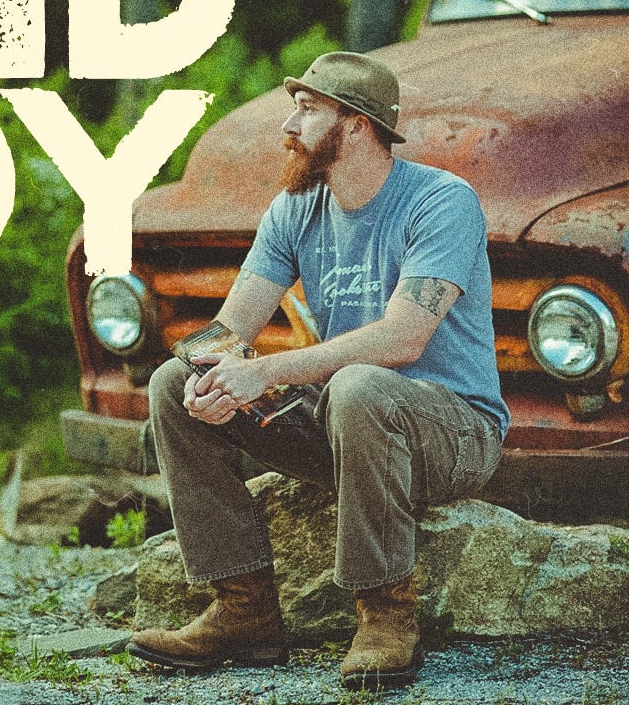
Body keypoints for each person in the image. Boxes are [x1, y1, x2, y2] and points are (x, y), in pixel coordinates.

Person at [127, 51, 509, 691]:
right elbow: (230, 330)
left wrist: (264, 373)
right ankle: (245, 611)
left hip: (453, 432)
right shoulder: (294, 209)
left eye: (307, 109)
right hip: (347, 426)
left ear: (356, 124)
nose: (289, 125)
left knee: (360, 384)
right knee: (172, 387)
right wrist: (203, 368)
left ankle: (385, 615)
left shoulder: (442, 202)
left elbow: (403, 338)